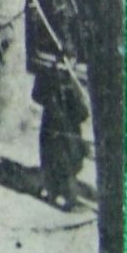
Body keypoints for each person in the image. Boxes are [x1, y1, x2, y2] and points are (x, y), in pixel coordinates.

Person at [33, 56, 89, 210]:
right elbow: (82, 113)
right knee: (66, 166)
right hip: (64, 130)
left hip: (52, 127)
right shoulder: (68, 83)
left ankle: (52, 192)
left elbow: (36, 95)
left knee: (52, 161)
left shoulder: (57, 77)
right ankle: (68, 200)